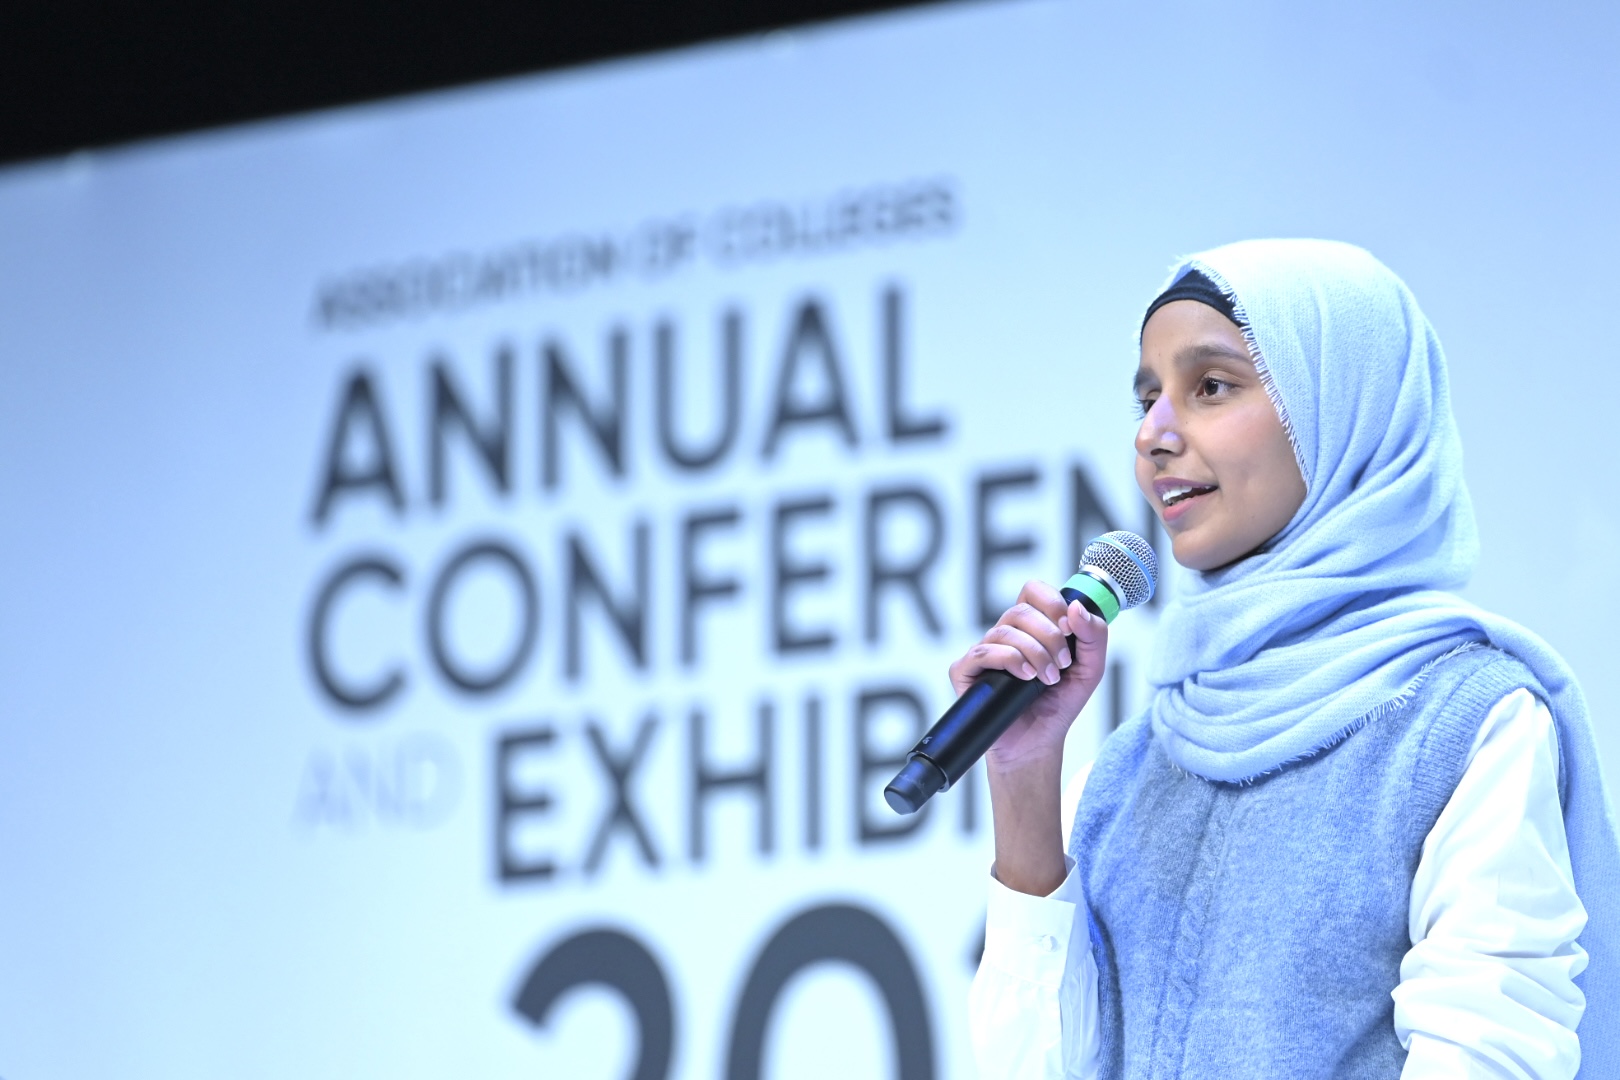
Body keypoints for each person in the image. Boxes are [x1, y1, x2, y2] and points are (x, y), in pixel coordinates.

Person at [961, 239, 1620, 1078]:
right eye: (1146, 398)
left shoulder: (1465, 723)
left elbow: (1492, 1053)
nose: (1156, 435)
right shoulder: (1133, 769)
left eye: (1210, 386)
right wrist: (1023, 780)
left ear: (1339, 405)